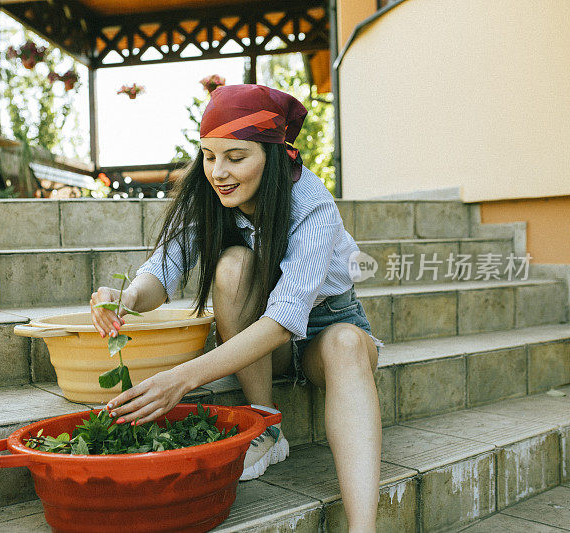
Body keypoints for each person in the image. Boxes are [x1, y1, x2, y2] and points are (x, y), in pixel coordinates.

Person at [90, 84, 384, 531]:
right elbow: (164, 271)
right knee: (231, 266)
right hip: (263, 341)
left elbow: (285, 320)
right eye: (209, 155)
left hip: (327, 328)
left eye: (235, 157)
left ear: (270, 152)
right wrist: (125, 299)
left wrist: (181, 380)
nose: (218, 172)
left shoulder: (312, 206)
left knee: (345, 344)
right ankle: (265, 424)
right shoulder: (208, 192)